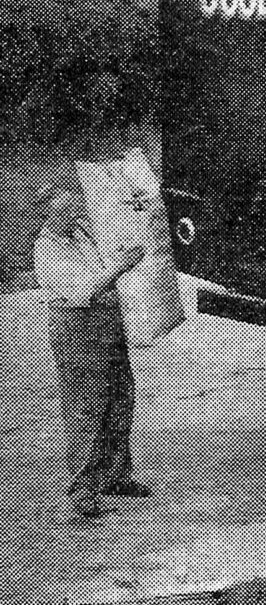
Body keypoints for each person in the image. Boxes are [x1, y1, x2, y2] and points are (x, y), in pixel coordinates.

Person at [33, 187, 152, 522]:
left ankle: (116, 475)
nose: (75, 214)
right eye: (66, 210)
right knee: (87, 409)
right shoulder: (46, 249)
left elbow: (106, 253)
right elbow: (83, 290)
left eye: (75, 207)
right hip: (76, 328)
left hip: (106, 323)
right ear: (49, 215)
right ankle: (83, 489)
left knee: (121, 397)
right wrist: (121, 266)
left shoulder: (82, 231)